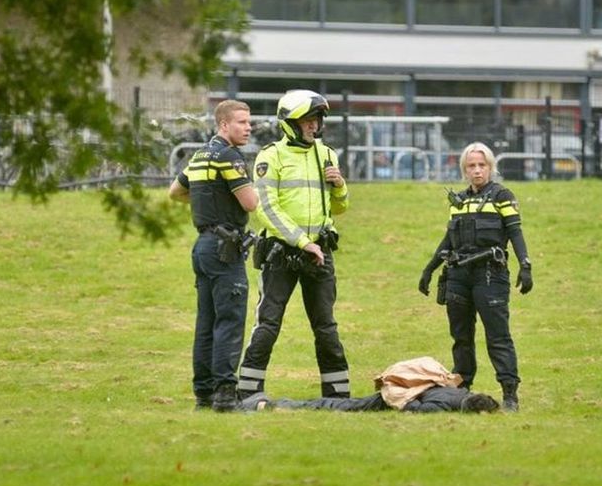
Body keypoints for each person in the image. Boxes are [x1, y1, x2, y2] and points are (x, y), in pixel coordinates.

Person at [236, 89, 351, 400]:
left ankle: (338, 396)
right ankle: (247, 393)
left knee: (326, 326)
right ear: (290, 123)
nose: (315, 126)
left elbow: (338, 209)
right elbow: (266, 208)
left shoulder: (327, 154)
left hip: (320, 252)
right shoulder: (269, 157)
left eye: (317, 120)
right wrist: (301, 242)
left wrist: (339, 187)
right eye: (308, 120)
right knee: (268, 324)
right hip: (281, 255)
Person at [417, 142, 533, 412]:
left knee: (498, 336)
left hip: (490, 276)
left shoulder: (502, 195)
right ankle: (462, 392)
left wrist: (525, 265)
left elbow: (515, 232)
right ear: (464, 170)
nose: (477, 170)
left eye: (482, 165)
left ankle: (510, 396)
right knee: (461, 337)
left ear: (491, 168)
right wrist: (429, 268)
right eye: (471, 166)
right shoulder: (458, 201)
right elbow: (449, 239)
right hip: (458, 275)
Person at [168, 99, 258, 412]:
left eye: (249, 122)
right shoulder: (229, 157)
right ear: (223, 125)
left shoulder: (200, 154)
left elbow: (175, 192)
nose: (249, 127)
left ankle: (203, 394)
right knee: (229, 321)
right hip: (225, 249)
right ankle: (224, 394)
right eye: (242, 122)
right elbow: (249, 203)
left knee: (205, 323)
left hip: (203, 246)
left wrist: (207, 199)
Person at [239, 357, 500, 413]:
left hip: (409, 387)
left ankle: (269, 403)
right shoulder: (443, 406)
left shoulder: (461, 392)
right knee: (339, 406)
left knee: (341, 405)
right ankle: (270, 405)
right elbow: (413, 408)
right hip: (390, 398)